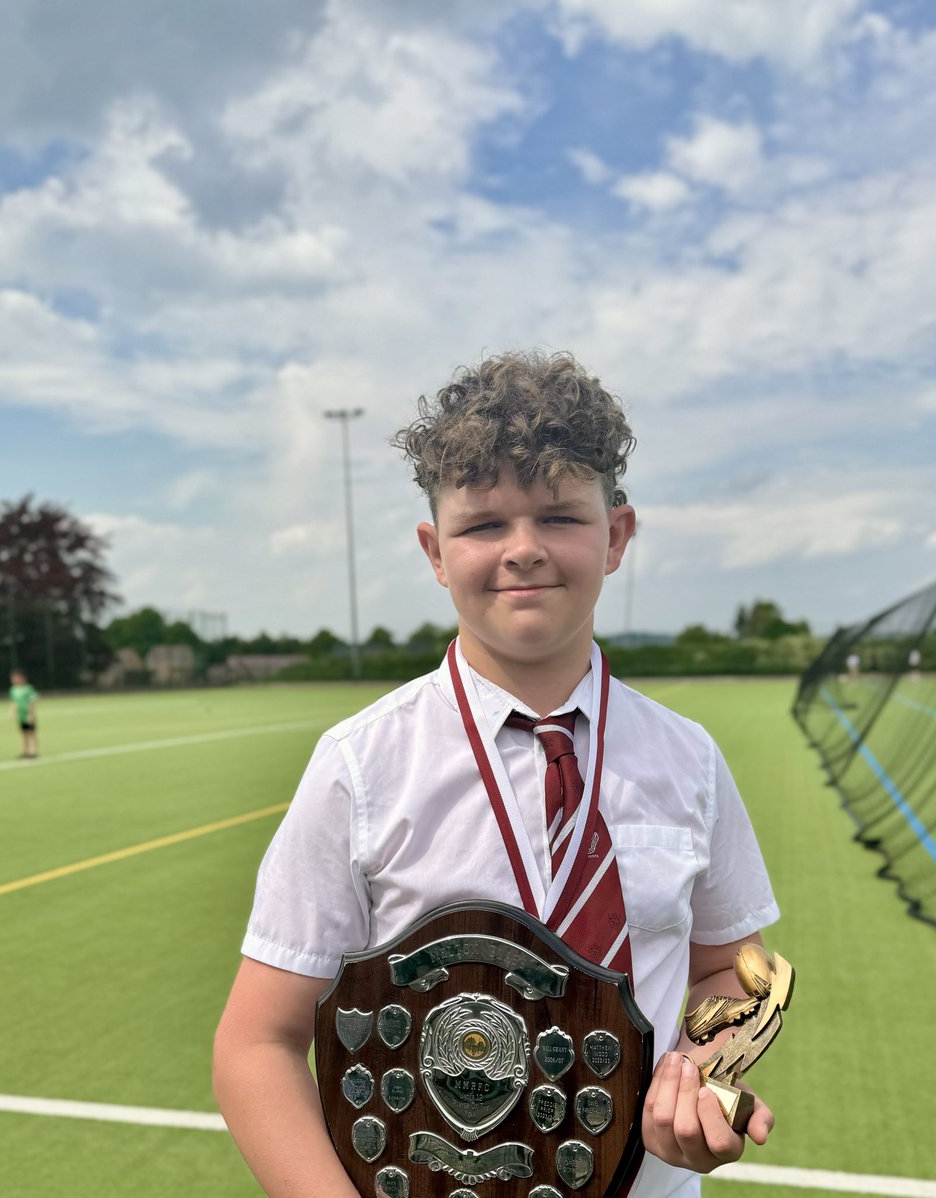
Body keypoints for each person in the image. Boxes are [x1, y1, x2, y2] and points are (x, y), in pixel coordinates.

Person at [213, 351, 780, 1197]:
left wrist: (701, 1077)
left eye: (558, 517)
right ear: (435, 551)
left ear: (616, 536)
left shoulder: (688, 760)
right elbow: (256, 1043)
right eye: (482, 526)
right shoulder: (363, 767)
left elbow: (726, 969)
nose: (522, 551)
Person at [8, 669, 39, 759]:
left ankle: (33, 751)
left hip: (28, 715)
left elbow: (32, 702)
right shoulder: (13, 690)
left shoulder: (29, 689)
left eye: (16, 678)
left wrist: (31, 714)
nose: (14, 680)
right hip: (21, 715)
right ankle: (25, 751)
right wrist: (12, 712)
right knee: (23, 733)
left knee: (31, 733)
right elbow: (14, 702)